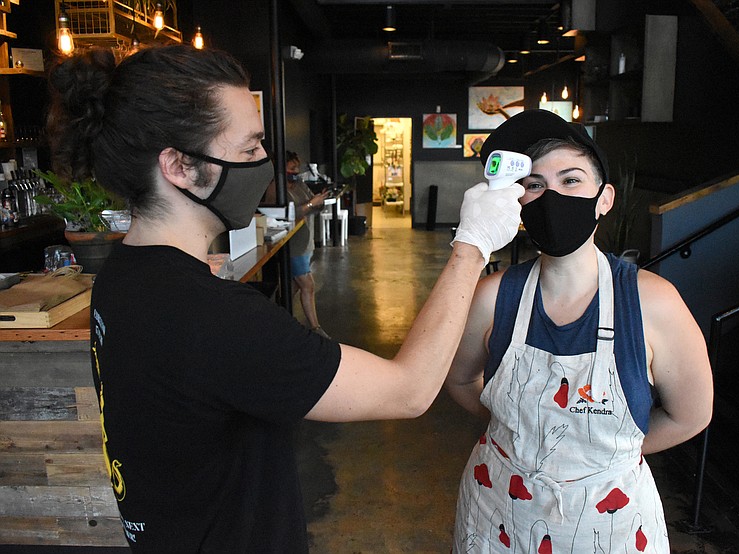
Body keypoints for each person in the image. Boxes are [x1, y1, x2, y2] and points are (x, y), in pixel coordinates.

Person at [45, 44, 523, 552]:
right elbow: (407, 391)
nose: (265, 164)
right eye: (249, 149)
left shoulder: (119, 278)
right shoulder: (215, 317)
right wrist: (471, 247)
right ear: (180, 166)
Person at [445, 109, 713, 553]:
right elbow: (457, 378)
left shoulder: (653, 302)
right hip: (497, 514)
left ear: (604, 198)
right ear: (518, 200)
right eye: (534, 185)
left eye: (571, 180)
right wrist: (517, 436)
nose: (551, 196)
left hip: (610, 523)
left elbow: (692, 414)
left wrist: (608, 458)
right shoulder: (493, 297)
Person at [263, 151, 330, 337]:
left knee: (293, 285)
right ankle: (315, 328)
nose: (296, 171)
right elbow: (284, 214)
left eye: (297, 168)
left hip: (305, 242)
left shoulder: (299, 184)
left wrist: (317, 201)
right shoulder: (276, 188)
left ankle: (277, 317)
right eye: (291, 168)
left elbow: (312, 204)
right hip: (291, 245)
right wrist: (310, 204)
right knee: (308, 285)